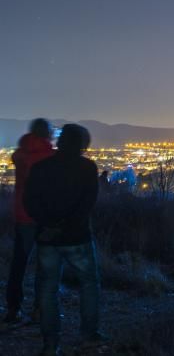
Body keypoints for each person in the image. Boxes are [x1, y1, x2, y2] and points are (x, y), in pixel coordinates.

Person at [24, 123, 102, 354]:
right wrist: (66, 225)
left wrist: (48, 224)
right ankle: (89, 334)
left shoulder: (41, 167)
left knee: (48, 289)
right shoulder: (87, 168)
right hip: (77, 237)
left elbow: (29, 202)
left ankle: (50, 343)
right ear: (82, 144)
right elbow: (87, 204)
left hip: (47, 238)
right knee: (89, 284)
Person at [4, 118, 56, 325]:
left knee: (19, 263)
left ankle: (13, 308)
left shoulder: (20, 154)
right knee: (44, 265)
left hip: (22, 214)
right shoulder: (50, 157)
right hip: (43, 217)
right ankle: (39, 308)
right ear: (47, 134)